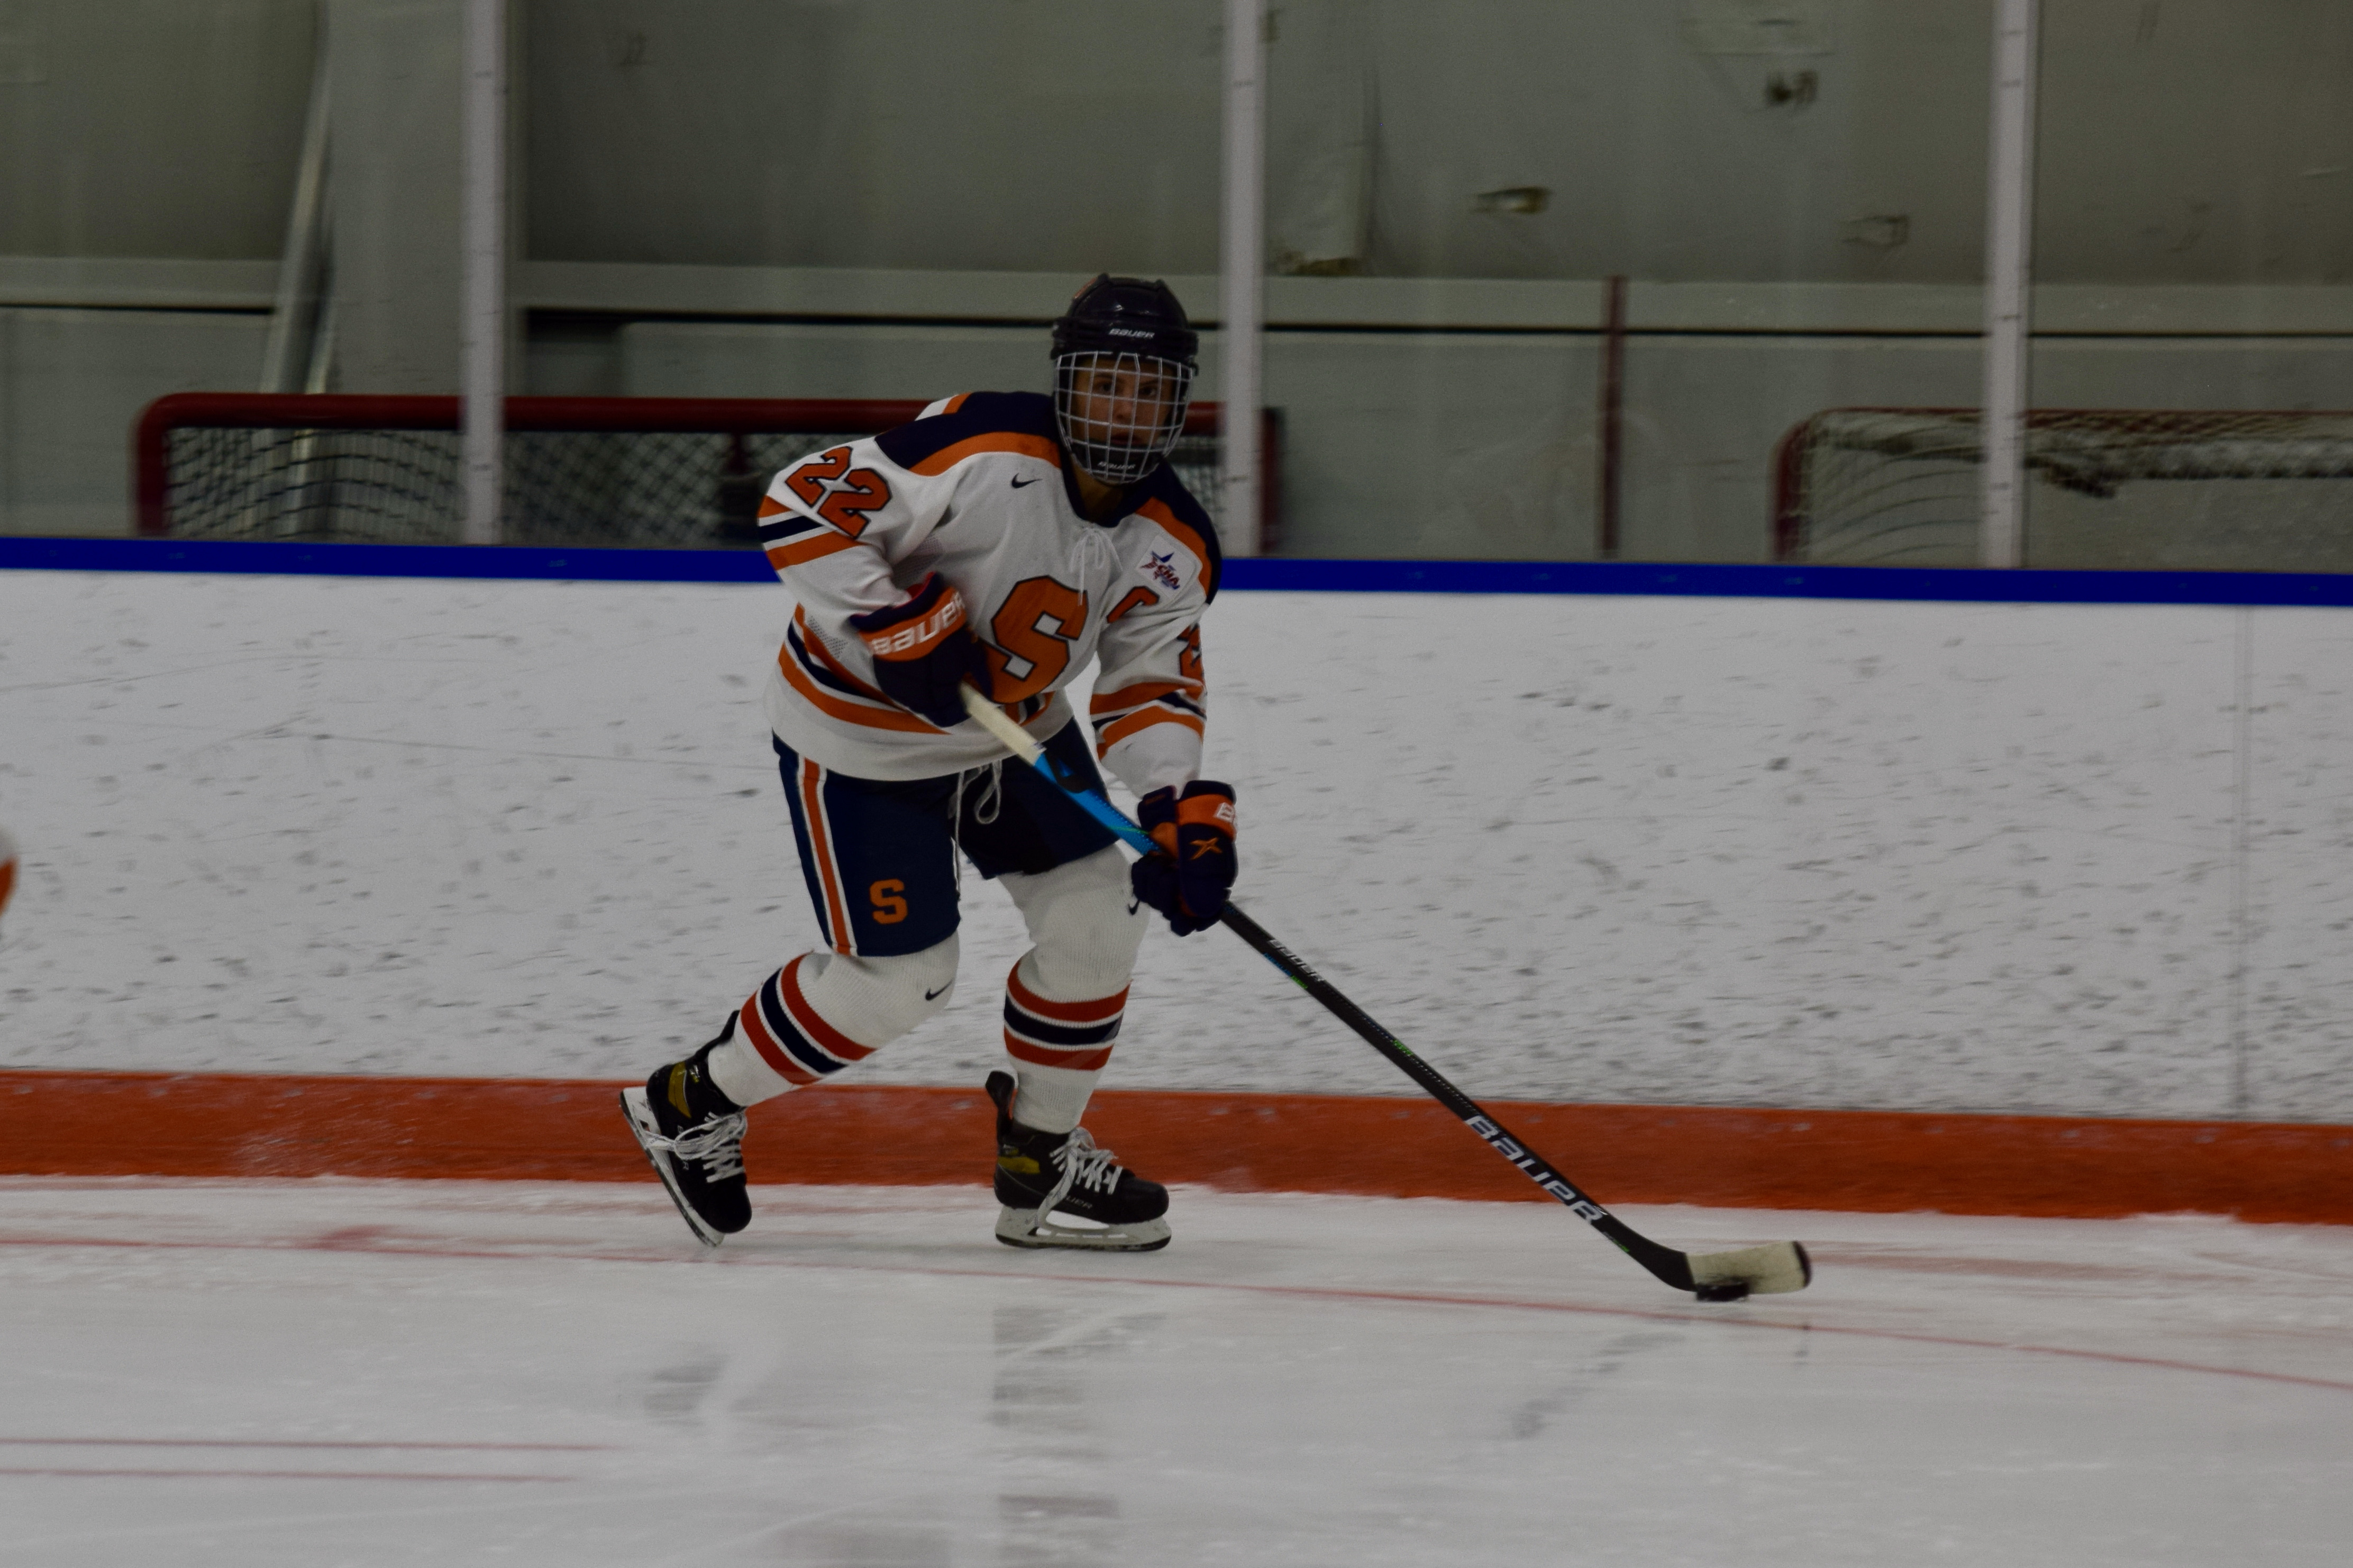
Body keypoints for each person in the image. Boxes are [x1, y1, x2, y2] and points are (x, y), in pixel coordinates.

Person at [621, 275, 1238, 1253]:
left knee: (1099, 922)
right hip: (860, 740)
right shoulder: (978, 449)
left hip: (1019, 743)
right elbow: (801, 503)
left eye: (1149, 389)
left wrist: (1174, 803)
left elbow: (1147, 685)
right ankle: (688, 1104)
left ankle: (1039, 1158)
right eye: (1105, 383)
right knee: (900, 981)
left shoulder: (1176, 543)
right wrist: (897, 621)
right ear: (1065, 382)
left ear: (1180, 403)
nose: (1124, 411)